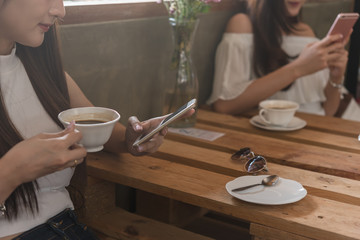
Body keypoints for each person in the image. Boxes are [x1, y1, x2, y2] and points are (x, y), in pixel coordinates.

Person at [0, 0, 194, 239]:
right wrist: (10, 172)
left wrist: (134, 137)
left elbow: (101, 132)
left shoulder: (43, 71)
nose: (60, 11)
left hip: (68, 227)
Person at [207, 0, 360, 120]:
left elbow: (328, 111)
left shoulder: (305, 31)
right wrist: (298, 68)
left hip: (329, 126)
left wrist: (336, 76)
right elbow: (224, 106)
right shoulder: (242, 24)